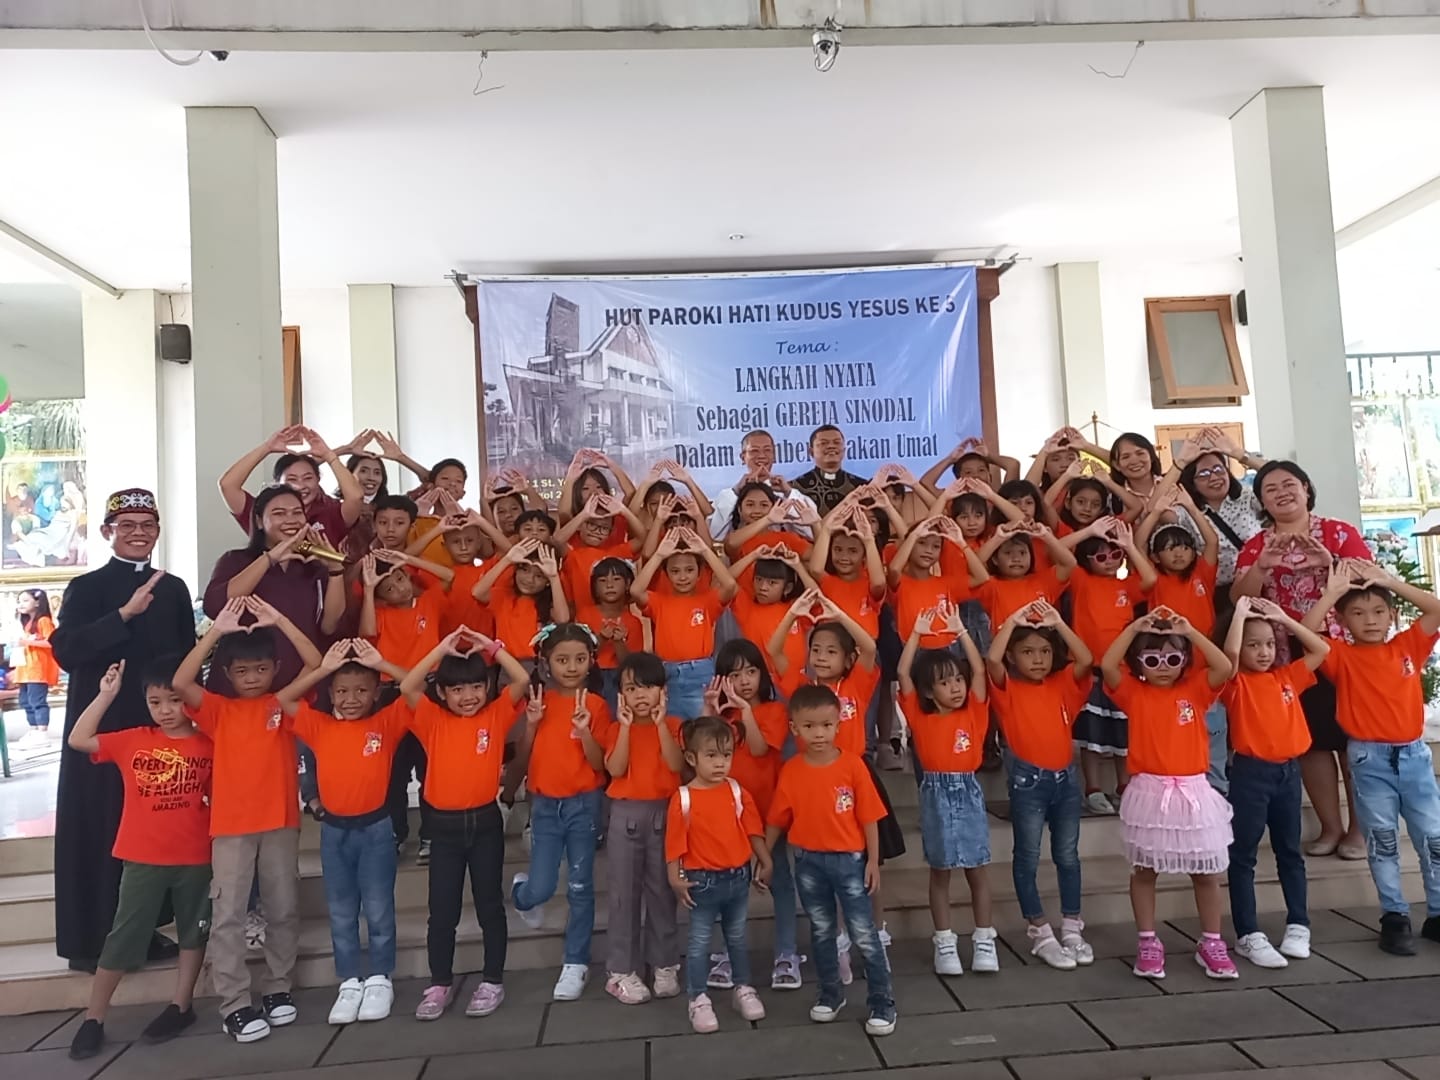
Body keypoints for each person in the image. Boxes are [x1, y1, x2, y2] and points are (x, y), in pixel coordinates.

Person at [52, 488, 196, 973]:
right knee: (100, 824)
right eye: (127, 525)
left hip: (157, 725)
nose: (139, 533)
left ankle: (141, 929)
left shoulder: (173, 589)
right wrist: (123, 616)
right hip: (104, 724)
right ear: (107, 532)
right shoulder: (86, 587)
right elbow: (67, 651)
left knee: (150, 826)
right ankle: (90, 940)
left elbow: (182, 658)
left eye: (147, 525)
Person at [173, 597, 323, 1042]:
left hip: (280, 823)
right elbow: (181, 681)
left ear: (275, 669)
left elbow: (315, 664)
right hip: (231, 828)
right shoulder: (218, 709)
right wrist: (216, 631)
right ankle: (234, 1004)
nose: (252, 677)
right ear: (228, 674)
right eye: (242, 671)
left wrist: (280, 619)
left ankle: (278, 988)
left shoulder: (284, 702)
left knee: (283, 909)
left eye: (260, 669)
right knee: (229, 916)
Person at [64, 659, 213, 1061]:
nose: (165, 710)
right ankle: (94, 1017)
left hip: (197, 856)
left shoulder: (210, 743)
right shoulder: (134, 740)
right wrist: (105, 695)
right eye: (155, 702)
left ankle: (181, 1005)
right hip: (142, 857)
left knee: (194, 931)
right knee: (124, 935)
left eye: (174, 700)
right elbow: (79, 739)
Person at [1232, 459, 1373, 860]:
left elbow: (1370, 580)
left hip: (1342, 646)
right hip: (1286, 654)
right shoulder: (1257, 545)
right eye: (1270, 489)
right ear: (1261, 502)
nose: (1282, 493)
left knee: (1353, 740)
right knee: (1311, 742)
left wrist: (1328, 564)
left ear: (1306, 488)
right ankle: (1330, 827)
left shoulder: (1338, 532)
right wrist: (1262, 567)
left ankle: (1359, 830)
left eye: (1289, 484)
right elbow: (1239, 598)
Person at [1302, 560, 1440, 955]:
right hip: (1369, 758)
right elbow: (1305, 632)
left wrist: (1390, 581)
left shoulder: (1408, 646)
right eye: (1359, 613)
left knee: (1432, 836)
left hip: (1414, 756)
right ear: (1343, 620)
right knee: (1382, 839)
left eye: (1379, 611)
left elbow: (1435, 609)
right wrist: (1331, 594)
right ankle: (1394, 915)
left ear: (1392, 615)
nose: (1371, 620)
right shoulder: (1340, 656)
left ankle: (1437, 913)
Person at [401, 627, 537, 1020]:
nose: (468, 696)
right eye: (457, 690)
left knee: (489, 905)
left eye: (477, 686)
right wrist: (440, 649)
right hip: (442, 829)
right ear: (442, 693)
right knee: (442, 912)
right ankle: (439, 984)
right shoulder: (431, 718)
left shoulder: (495, 715)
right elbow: (408, 685)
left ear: (488, 687)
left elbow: (521, 678)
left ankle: (492, 980)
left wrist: (492, 647)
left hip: (484, 824)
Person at [277, 639, 410, 1025]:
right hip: (335, 833)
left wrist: (382, 663)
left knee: (378, 908)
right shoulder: (318, 726)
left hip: (376, 829)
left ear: (376, 692)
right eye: (342, 691)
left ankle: (380, 978)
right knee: (340, 910)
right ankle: (350, 980)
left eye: (361, 691)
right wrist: (322, 669)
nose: (351, 699)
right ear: (331, 694)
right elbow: (283, 700)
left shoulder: (386, 724)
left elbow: (416, 688)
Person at [1100, 607, 1235, 981]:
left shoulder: (1196, 689)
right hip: (1150, 791)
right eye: (1152, 659)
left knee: (1205, 871)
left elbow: (1224, 666)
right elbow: (1108, 665)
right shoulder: (1133, 692)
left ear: (1185, 660)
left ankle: (1211, 941)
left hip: (1193, 791)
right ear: (1139, 663)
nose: (1163, 666)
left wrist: (1190, 631)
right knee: (1145, 870)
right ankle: (1147, 940)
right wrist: (1133, 629)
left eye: (1173, 659)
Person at [766, 685, 896, 1036]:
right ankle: (830, 993)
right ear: (794, 728)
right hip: (807, 862)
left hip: (850, 861)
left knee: (863, 932)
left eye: (826, 725)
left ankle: (882, 1001)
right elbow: (777, 818)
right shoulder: (792, 770)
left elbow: (870, 817)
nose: (819, 733)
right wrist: (764, 856)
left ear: (838, 725)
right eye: (809, 726)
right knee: (822, 931)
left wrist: (873, 860)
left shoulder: (853, 766)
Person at [1221, 596, 1330, 969]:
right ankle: (1247, 933)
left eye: (1269, 643)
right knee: (1243, 856)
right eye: (1254, 645)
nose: (1264, 652)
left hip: (1288, 773)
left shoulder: (1286, 677)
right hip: (1251, 775)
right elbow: (1228, 659)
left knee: (1290, 852)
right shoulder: (1235, 683)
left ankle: (1299, 924)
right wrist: (1239, 616)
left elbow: (1320, 649)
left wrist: (1284, 618)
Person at [987, 601, 1095, 969]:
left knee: (1068, 856)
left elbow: (1085, 659)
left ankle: (1072, 927)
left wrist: (1058, 623)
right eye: (1028, 652)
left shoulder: (1062, 684)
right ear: (1013, 656)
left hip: (1066, 780)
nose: (1038, 659)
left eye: (1045, 652)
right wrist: (1012, 621)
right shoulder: (1007, 688)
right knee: (1028, 856)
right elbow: (992, 660)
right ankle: (1040, 931)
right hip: (1028, 782)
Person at [511, 624, 614, 1001]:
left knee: (580, 885)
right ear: (546, 663)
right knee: (540, 886)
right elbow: (522, 757)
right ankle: (522, 894)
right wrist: (531, 724)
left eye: (580, 659)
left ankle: (576, 961)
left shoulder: (598, 705)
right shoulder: (538, 701)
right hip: (544, 806)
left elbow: (600, 764)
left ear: (591, 661)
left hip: (584, 804)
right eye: (562, 659)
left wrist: (585, 732)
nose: (571, 667)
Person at [897, 608, 995, 976]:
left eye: (957, 680)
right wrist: (916, 635)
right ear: (928, 690)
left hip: (967, 790)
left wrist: (961, 632)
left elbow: (980, 671)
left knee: (977, 869)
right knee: (940, 872)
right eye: (944, 682)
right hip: (935, 794)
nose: (955, 687)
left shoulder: (974, 712)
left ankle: (984, 938)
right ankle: (945, 941)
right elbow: (903, 673)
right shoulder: (920, 715)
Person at [701, 643, 798, 991]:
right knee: (730, 889)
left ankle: (787, 953)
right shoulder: (724, 717)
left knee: (780, 883)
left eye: (751, 672)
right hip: (730, 815)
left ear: (762, 675)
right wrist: (710, 711)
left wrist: (745, 711)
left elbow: (758, 749)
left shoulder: (773, 710)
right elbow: (705, 753)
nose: (744, 681)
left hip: (769, 814)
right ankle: (729, 955)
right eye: (734, 674)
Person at [668, 715, 772, 1033]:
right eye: (711, 755)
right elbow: (674, 843)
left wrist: (765, 860)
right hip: (701, 881)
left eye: (726, 755)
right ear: (692, 758)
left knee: (737, 937)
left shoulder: (737, 791)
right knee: (699, 941)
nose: (720, 763)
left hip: (738, 878)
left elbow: (753, 830)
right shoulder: (683, 798)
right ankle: (698, 998)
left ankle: (743, 987)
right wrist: (674, 877)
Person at [203, 484, 346, 695]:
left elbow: (329, 626)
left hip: (300, 681)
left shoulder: (313, 566)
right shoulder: (235, 560)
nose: (291, 519)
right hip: (243, 685)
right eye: (279, 513)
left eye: (297, 512)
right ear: (259, 521)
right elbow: (215, 606)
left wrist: (335, 569)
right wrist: (270, 558)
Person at [602, 652, 684, 1005]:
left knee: (663, 891)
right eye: (631, 688)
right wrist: (623, 727)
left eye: (648, 687)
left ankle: (664, 963)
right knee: (624, 894)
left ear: (663, 691)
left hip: (665, 813)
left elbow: (677, 765)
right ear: (621, 694)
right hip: (626, 815)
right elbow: (615, 769)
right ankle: (621, 970)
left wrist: (662, 724)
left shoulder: (675, 725)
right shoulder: (614, 728)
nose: (640, 695)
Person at [1061, 516, 1157, 814]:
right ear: (1087, 559)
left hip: (1123, 672)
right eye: (1101, 556)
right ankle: (1092, 788)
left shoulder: (1125, 584)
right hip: (1089, 671)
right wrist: (1089, 531)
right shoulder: (1080, 580)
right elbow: (1058, 549)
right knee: (1091, 734)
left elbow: (1150, 580)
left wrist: (1129, 545)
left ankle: (1124, 785)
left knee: (1122, 733)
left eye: (1115, 554)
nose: (1110, 560)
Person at [633, 527, 738, 720]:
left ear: (699, 574)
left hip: (700, 673)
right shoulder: (659, 602)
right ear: (666, 574)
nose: (682, 577)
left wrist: (704, 551)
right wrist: (659, 555)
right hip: (667, 674)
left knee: (703, 728)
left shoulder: (707, 601)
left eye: (689, 570)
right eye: (675, 571)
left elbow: (730, 585)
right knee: (672, 728)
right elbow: (635, 591)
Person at [219, 425, 365, 545]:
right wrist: (267, 447)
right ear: (278, 483)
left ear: (318, 479)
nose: (301, 486)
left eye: (308, 478)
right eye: (292, 479)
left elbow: (355, 497)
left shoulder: (330, 511)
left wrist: (329, 455)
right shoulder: (264, 512)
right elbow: (228, 485)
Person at [708, 430, 820, 540]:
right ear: (743, 457)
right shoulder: (729, 495)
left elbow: (812, 533)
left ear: (774, 456)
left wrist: (788, 492)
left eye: (767, 450)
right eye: (754, 451)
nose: (761, 456)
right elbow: (715, 535)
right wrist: (736, 491)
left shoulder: (786, 494)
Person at [12, 587, 59, 745]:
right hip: (25, 668)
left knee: (37, 700)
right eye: (19, 601)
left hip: (37, 669)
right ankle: (33, 729)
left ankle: (42, 731)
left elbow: (51, 642)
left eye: (25, 601)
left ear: (38, 602)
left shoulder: (43, 621)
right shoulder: (26, 623)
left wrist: (27, 642)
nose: (21, 604)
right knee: (25, 700)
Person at [791, 425, 870, 515]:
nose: (831, 446)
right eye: (823, 443)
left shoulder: (861, 486)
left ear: (844, 450)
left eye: (837, 442)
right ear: (811, 452)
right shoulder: (796, 487)